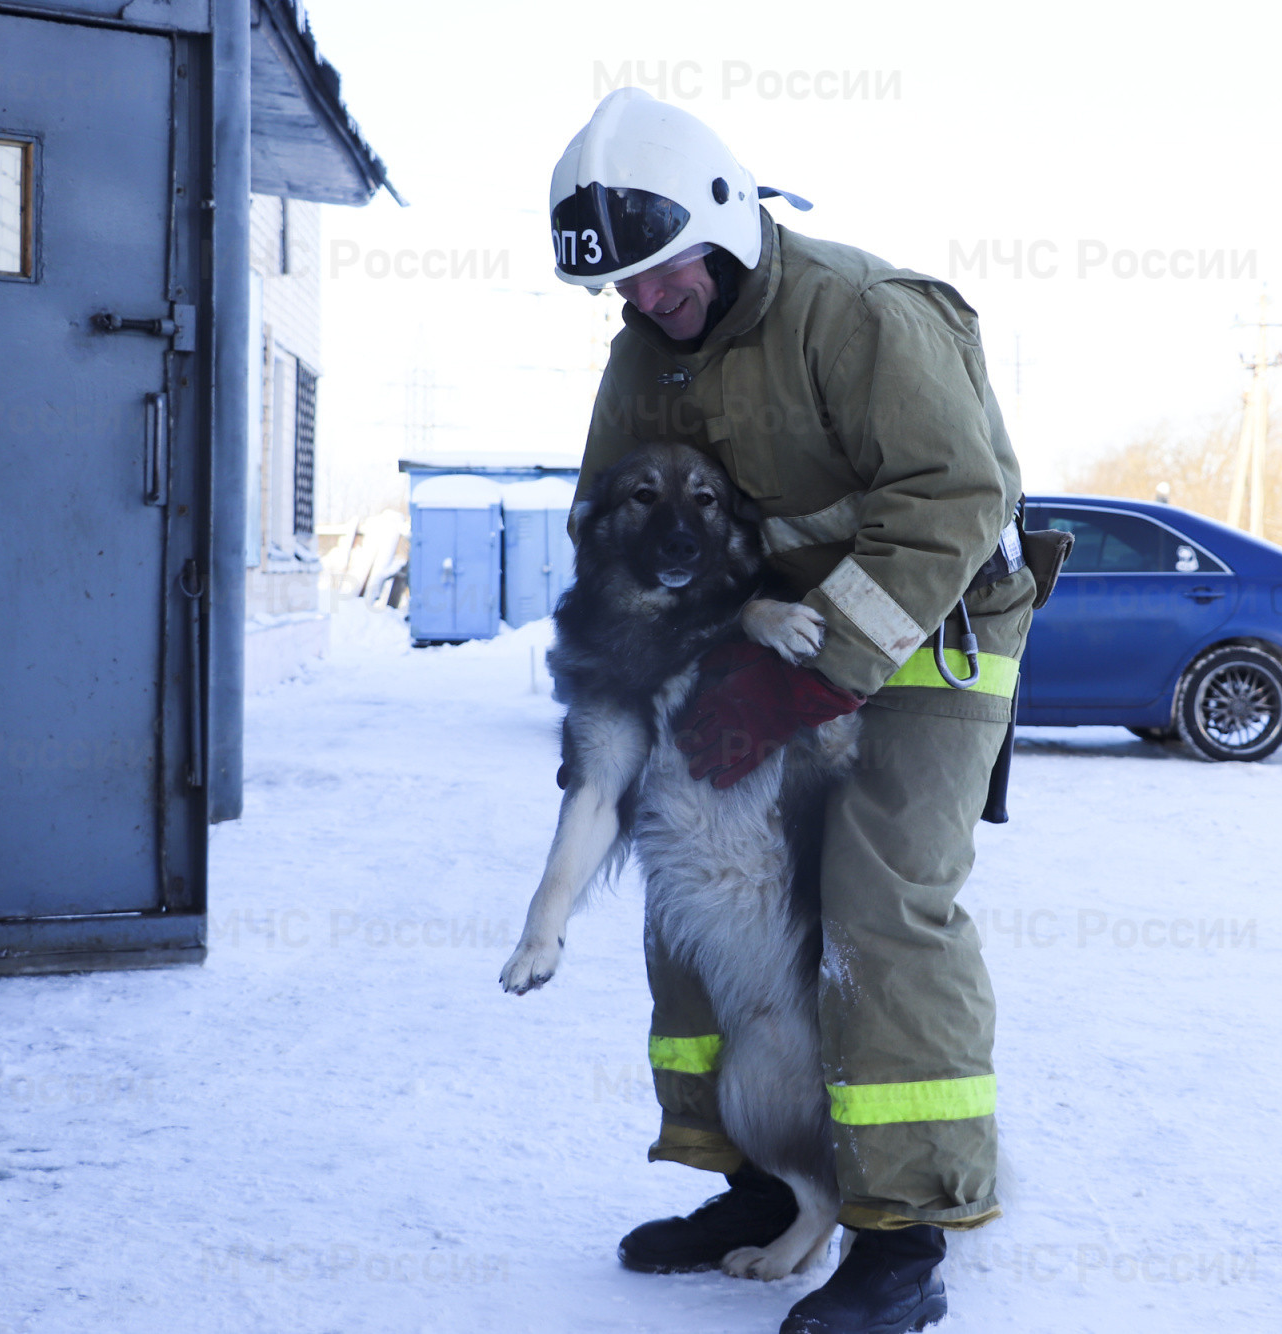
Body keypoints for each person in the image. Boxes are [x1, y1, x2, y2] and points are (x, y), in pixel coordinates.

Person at [551, 88, 1036, 1334]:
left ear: (720, 221)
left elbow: (953, 495)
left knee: (877, 906)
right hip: (756, 640)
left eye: (658, 276)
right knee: (694, 889)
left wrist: (811, 678)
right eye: (621, 286)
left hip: (931, 634)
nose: (640, 304)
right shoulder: (645, 345)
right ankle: (755, 1182)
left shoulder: (859, 313)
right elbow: (604, 508)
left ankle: (897, 1229)